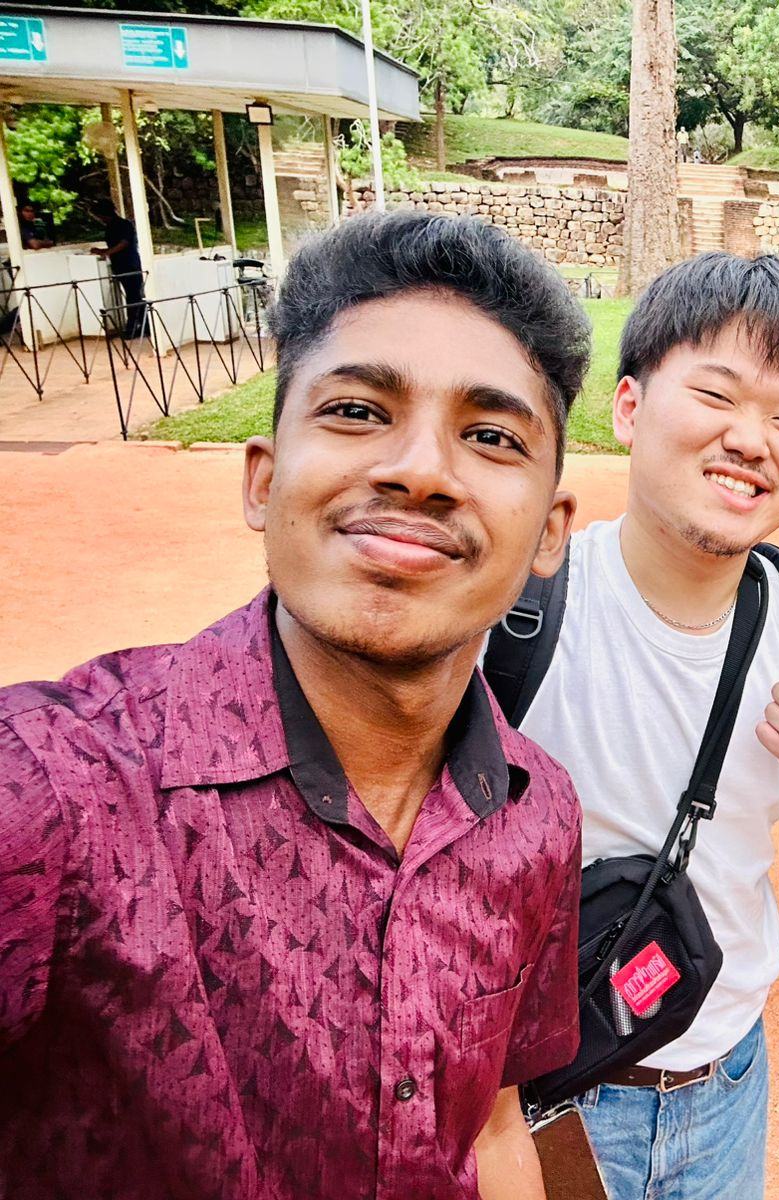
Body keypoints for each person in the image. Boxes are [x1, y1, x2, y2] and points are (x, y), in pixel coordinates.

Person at [0, 210, 593, 1200]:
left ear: (549, 531)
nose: (420, 469)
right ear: (263, 481)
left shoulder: (538, 814)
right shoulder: (56, 793)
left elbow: (490, 1122)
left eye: (489, 436)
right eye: (358, 412)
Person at [500, 252, 779, 1200]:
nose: (750, 440)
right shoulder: (517, 612)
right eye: (716, 394)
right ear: (629, 408)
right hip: (544, 1100)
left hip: (726, 1085)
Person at [90, 197, 145, 338]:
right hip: (120, 265)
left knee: (134, 296)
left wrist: (107, 252)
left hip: (130, 264)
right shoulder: (111, 227)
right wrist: (103, 251)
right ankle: (142, 325)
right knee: (133, 295)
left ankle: (133, 327)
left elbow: (124, 243)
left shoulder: (124, 224)